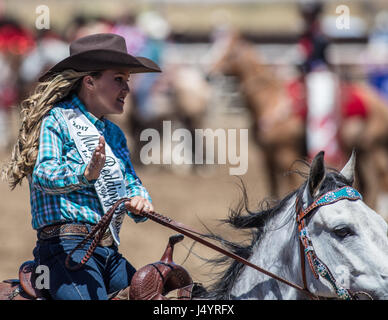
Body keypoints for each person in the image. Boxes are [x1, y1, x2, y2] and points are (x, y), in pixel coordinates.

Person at [2, 33, 161, 300]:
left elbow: (131, 182)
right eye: (118, 80)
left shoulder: (114, 134)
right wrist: (85, 174)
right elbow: (43, 174)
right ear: (90, 81)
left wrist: (141, 201)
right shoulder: (56, 120)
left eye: (127, 81)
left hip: (108, 252)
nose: (127, 89)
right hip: (62, 248)